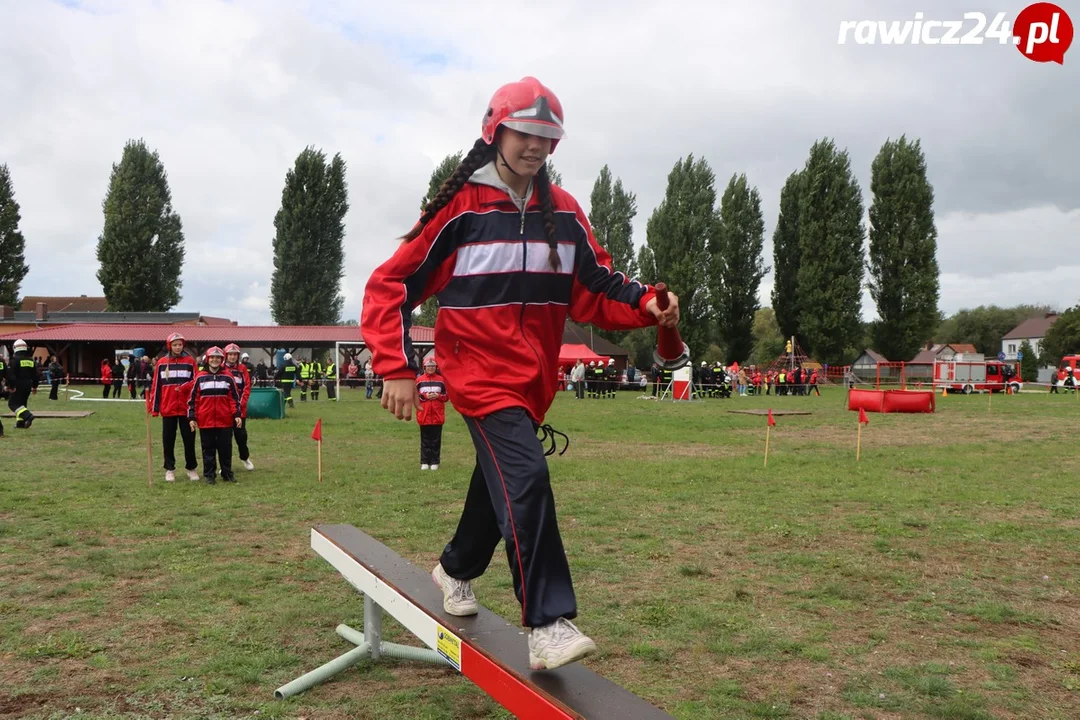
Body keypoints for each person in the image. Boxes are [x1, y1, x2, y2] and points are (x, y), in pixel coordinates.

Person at [360, 76, 680, 671]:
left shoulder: (565, 213)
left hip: (534, 382)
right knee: (527, 476)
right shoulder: (460, 209)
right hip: (477, 373)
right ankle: (548, 623)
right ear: (495, 131)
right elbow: (390, 285)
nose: (536, 146)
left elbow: (595, 289)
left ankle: (454, 569)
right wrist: (395, 367)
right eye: (526, 133)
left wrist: (646, 305)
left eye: (547, 137)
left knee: (500, 482)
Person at [149, 332, 200, 482]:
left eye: (180, 345)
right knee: (168, 440)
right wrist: (155, 407)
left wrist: (186, 387)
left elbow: (197, 382)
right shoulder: (162, 363)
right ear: (169, 346)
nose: (178, 347)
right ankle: (169, 469)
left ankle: (191, 468)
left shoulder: (190, 362)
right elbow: (156, 386)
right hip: (168, 408)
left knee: (189, 439)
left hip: (186, 409)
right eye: (175, 345)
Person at [188, 346, 243, 485]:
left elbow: (234, 398)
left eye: (218, 358)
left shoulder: (228, 376)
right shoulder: (200, 377)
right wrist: (192, 417)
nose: (215, 360)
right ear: (207, 359)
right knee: (208, 449)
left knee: (225, 448)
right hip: (205, 420)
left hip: (224, 420)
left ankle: (227, 473)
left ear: (222, 359)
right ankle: (209, 475)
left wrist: (237, 414)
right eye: (212, 357)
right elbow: (193, 399)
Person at [223, 344, 255, 471]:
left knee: (241, 436)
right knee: (225, 439)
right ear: (226, 355)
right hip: (224, 411)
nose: (232, 357)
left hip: (240, 410)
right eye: (230, 354)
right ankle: (226, 464)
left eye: (235, 354)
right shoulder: (221, 369)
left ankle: (245, 458)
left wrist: (240, 404)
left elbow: (247, 388)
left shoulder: (243, 369)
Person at [416, 356, 448, 470]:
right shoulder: (419, 381)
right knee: (424, 439)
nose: (430, 368)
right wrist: (425, 396)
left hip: (437, 414)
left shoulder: (441, 380)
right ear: (424, 367)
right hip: (423, 414)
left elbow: (447, 396)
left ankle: (435, 461)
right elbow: (415, 395)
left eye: (433, 366)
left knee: (436, 439)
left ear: (436, 367)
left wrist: (437, 396)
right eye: (428, 366)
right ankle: (425, 461)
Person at [6, 339, 38, 429]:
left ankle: (28, 416)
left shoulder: (15, 360)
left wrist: (11, 386)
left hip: (18, 384)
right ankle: (20, 423)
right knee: (22, 404)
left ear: (15, 348)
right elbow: (36, 375)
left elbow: (11, 375)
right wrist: (35, 386)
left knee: (12, 404)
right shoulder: (31, 360)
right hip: (28, 384)